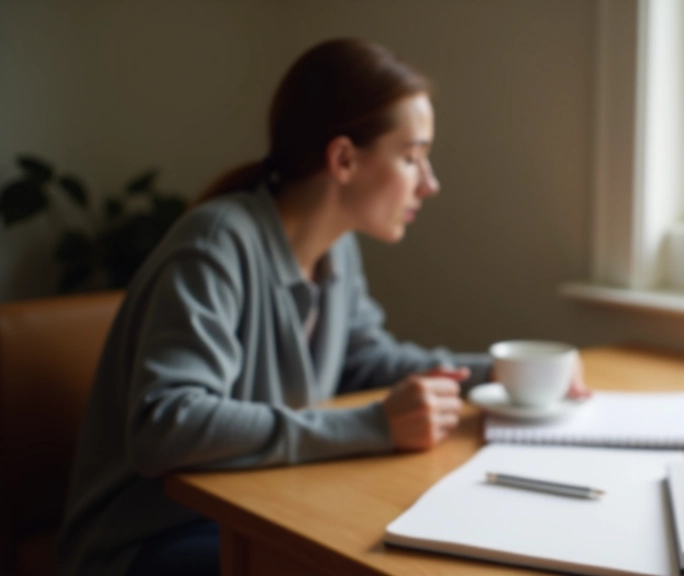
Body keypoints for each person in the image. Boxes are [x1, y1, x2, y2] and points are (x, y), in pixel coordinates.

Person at [56, 38, 587, 576]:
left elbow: (366, 361)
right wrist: (375, 426)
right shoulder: (215, 245)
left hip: (253, 504)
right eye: (411, 157)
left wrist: (500, 373)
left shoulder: (338, 251)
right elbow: (166, 425)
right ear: (343, 159)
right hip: (149, 539)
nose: (430, 183)